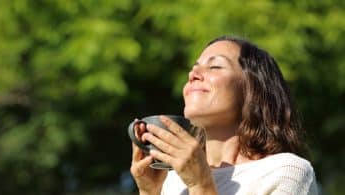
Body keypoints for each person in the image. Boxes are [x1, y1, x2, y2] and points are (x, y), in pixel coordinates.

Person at [130, 36, 318, 195]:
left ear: (252, 89)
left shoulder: (286, 172)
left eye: (215, 67)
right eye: (194, 68)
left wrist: (201, 186)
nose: (192, 74)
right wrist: (150, 191)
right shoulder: (173, 181)